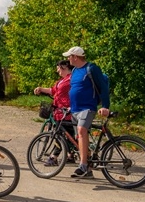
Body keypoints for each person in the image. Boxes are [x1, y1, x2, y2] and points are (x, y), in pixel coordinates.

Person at [62, 46, 110, 178]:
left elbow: (103, 87)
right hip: (75, 109)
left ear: (75, 57)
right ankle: (88, 170)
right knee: (80, 137)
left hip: (87, 107)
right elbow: (75, 89)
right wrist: (70, 106)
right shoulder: (75, 71)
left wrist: (105, 106)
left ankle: (82, 166)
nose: (67, 59)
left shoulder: (91, 68)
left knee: (82, 131)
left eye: (69, 56)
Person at [33, 60, 75, 164]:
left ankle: (54, 157)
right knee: (67, 134)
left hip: (66, 111)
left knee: (61, 134)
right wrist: (41, 89)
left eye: (58, 68)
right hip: (59, 111)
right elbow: (53, 90)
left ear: (65, 67)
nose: (57, 71)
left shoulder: (72, 79)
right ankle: (70, 155)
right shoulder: (63, 80)